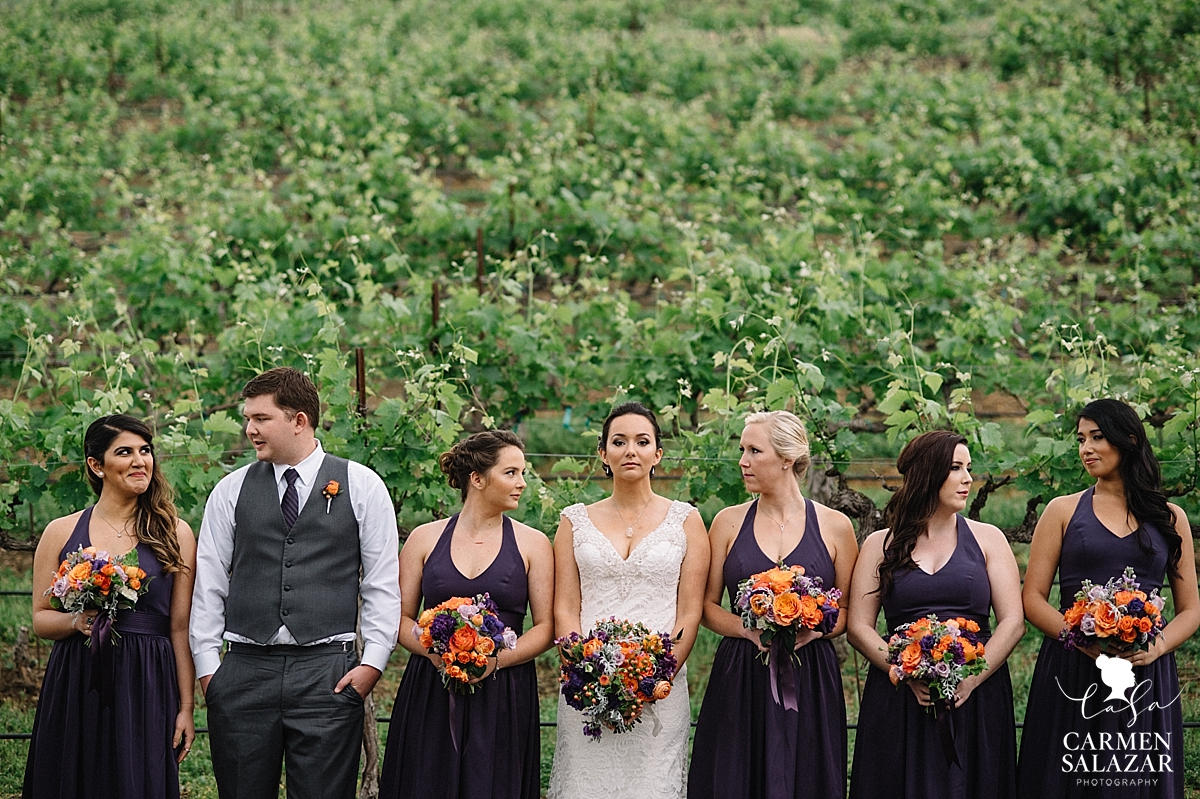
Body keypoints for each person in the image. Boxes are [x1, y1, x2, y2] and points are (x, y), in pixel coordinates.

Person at [190, 367, 401, 799]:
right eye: (248, 418)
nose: (249, 429)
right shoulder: (230, 490)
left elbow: (381, 584)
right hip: (244, 671)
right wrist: (210, 669)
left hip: (327, 672)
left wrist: (372, 665)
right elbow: (209, 584)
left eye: (261, 418)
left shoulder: (362, 485)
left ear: (299, 420)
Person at [1017, 399, 1200, 799]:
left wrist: (1155, 650)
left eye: (1097, 438)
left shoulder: (1170, 518)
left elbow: (1190, 611)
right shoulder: (1061, 511)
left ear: (1129, 440)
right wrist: (1084, 642)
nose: (1086, 449)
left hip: (1145, 674)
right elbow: (1032, 598)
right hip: (1073, 668)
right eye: (1081, 439)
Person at [688, 410, 859, 799]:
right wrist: (747, 631)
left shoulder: (835, 526)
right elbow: (708, 605)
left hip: (810, 674)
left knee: (808, 774)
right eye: (741, 449)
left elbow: (849, 610)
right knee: (735, 774)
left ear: (786, 458)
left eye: (754, 450)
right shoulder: (728, 523)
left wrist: (812, 628)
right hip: (741, 671)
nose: (742, 461)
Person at [25, 414, 197, 799]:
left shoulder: (175, 533)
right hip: (78, 677)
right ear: (96, 465)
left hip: (147, 679)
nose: (140, 461)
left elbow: (180, 628)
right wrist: (76, 621)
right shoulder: (60, 531)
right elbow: (40, 618)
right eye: (125, 452)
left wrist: (186, 707)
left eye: (146, 450)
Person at [847, 430, 1024, 799]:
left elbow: (1013, 622)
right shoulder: (880, 544)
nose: (968, 479)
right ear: (928, 474)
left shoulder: (989, 539)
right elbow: (858, 627)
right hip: (900, 697)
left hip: (977, 694)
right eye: (955, 468)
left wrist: (972, 680)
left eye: (968, 468)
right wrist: (902, 670)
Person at [378, 430, 554, 799]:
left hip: (503, 691)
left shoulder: (533, 543)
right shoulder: (424, 539)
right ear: (477, 479)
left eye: (523, 473)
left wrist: (496, 661)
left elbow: (546, 627)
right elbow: (399, 617)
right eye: (511, 473)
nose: (522, 483)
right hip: (431, 688)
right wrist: (435, 653)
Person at [548, 401, 710, 799]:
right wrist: (585, 668)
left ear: (658, 453)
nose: (630, 451)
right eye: (619, 442)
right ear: (603, 453)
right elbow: (565, 608)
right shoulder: (574, 521)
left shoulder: (686, 521)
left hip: (660, 690)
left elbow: (690, 611)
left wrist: (656, 676)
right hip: (587, 685)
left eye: (642, 441)